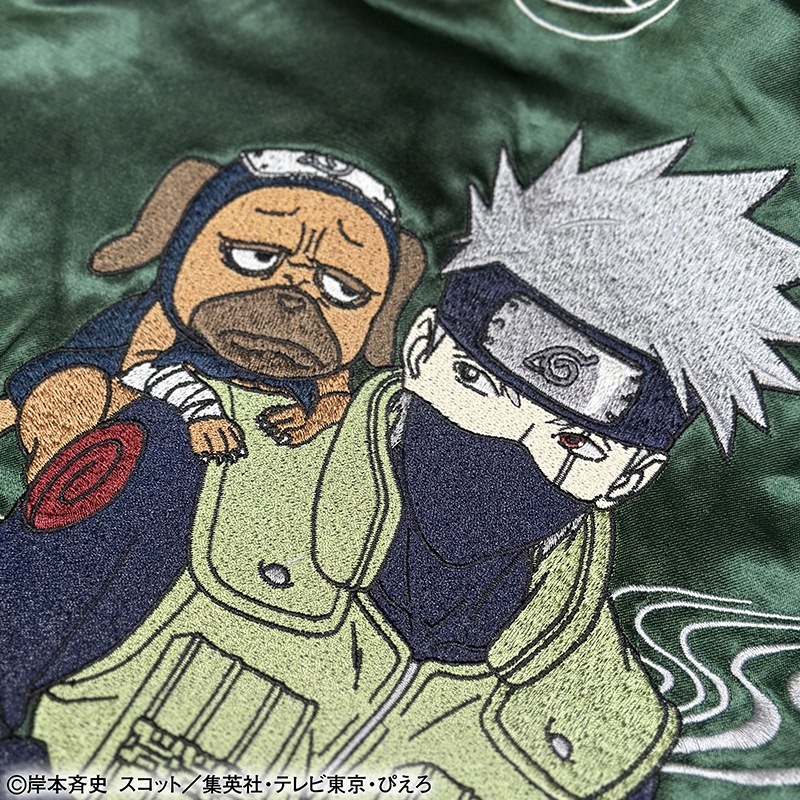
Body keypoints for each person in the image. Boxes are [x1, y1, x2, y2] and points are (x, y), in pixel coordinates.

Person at [3, 132, 799, 800]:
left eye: (574, 444)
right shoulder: (193, 467)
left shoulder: (608, 741)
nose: (505, 443)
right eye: (480, 386)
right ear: (421, 350)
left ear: (627, 478)